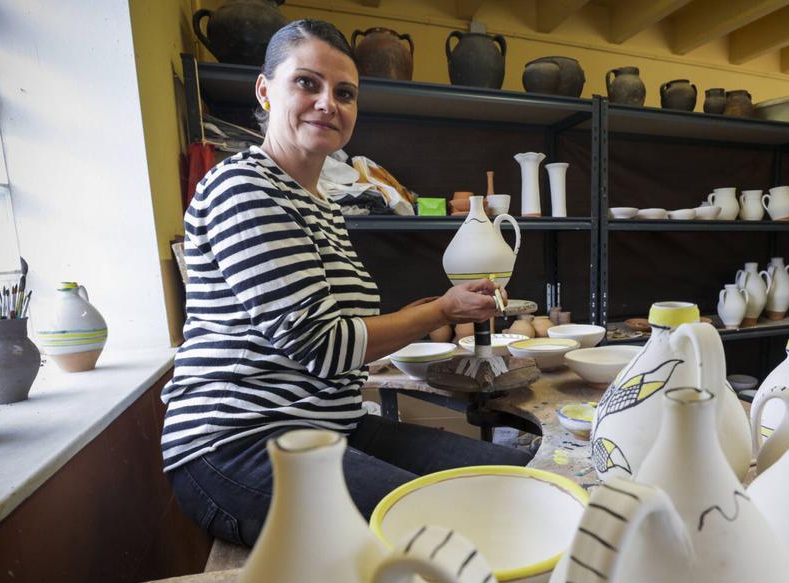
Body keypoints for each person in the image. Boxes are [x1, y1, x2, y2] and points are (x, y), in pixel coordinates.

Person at [161, 19, 531, 547]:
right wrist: (441, 312)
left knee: (510, 481)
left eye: (345, 93)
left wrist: (443, 304)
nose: (327, 103)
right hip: (236, 444)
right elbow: (324, 345)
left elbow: (338, 323)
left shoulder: (322, 205)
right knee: (441, 525)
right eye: (307, 83)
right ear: (265, 91)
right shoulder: (244, 188)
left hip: (329, 426)